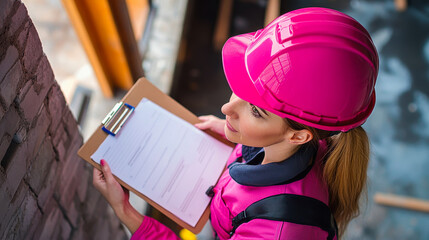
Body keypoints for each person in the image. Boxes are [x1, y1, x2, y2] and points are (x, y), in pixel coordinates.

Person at [93, 7, 378, 240]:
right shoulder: (310, 141)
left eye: (255, 111)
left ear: (298, 136)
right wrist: (235, 141)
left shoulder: (277, 231)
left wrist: (126, 212)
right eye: (242, 89)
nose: (226, 108)